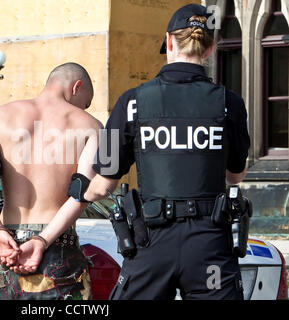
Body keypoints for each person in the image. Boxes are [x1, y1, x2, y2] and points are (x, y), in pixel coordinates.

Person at [81, 4, 250, 300]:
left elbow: (103, 182)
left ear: (169, 41)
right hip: (209, 245)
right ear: (209, 50)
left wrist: (79, 189)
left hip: (151, 245)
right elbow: (235, 175)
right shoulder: (229, 103)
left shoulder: (129, 103)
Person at [0, 62, 102, 300]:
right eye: (86, 102)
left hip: (5, 246)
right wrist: (41, 239)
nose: (85, 108)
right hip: (58, 248)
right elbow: (86, 192)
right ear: (76, 87)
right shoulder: (93, 126)